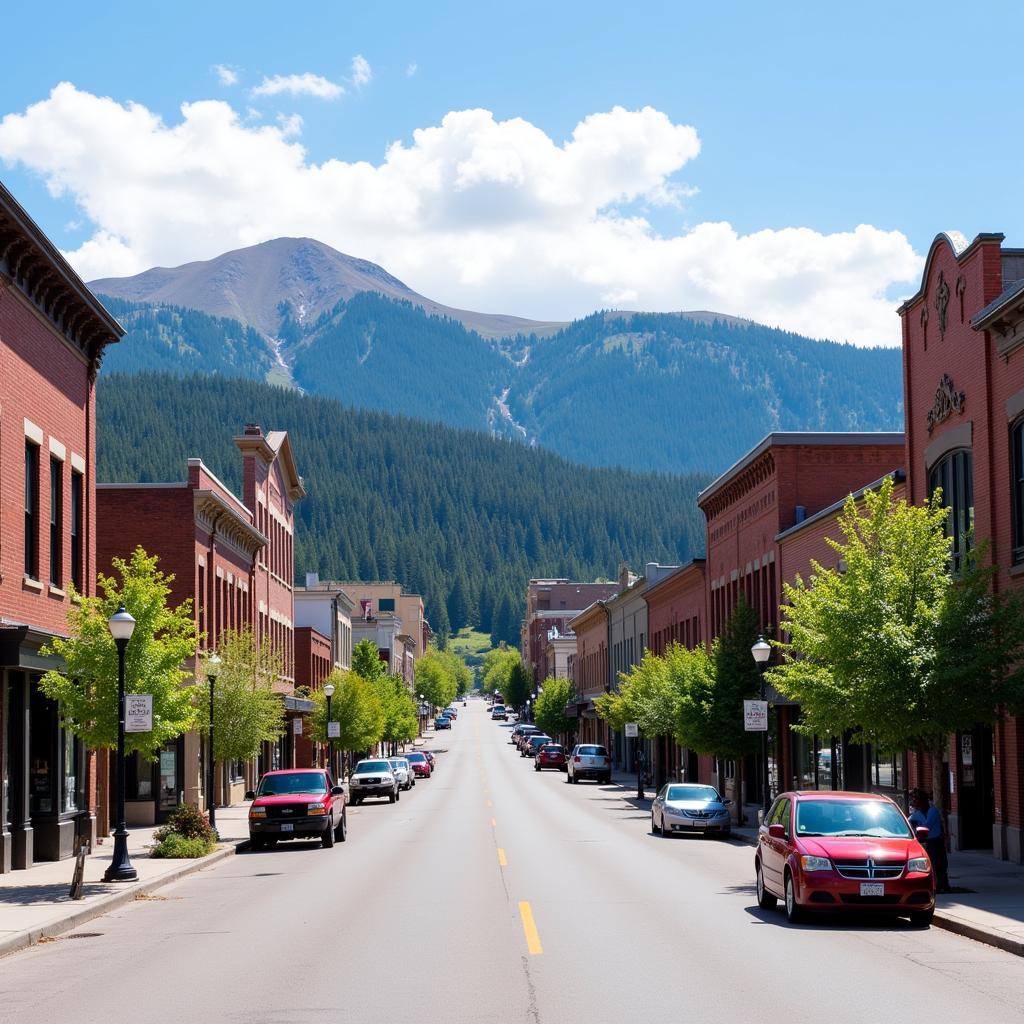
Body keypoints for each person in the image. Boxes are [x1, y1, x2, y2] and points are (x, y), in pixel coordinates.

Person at [909, 788, 950, 892]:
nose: (912, 802)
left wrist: (916, 828)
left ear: (921, 800)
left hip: (935, 842)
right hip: (923, 843)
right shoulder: (916, 814)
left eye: (915, 799)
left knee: (939, 864)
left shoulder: (933, 811)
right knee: (927, 865)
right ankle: (931, 885)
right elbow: (908, 824)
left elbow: (926, 827)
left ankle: (942, 885)